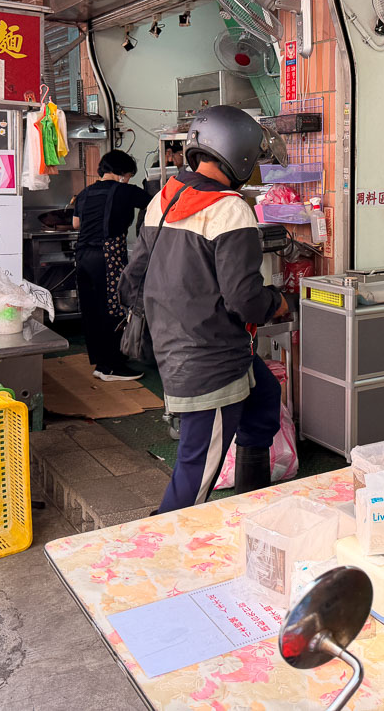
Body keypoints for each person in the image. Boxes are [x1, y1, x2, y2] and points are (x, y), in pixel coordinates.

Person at [121, 106, 289, 513]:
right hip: (208, 356)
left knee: (264, 398)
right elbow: (243, 298)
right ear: (241, 153)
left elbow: (132, 281)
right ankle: (163, 537)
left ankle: (251, 500)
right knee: (197, 467)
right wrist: (278, 303)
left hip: (181, 342)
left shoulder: (165, 196)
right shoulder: (231, 209)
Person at [72, 150, 151, 382]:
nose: (128, 179)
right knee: (113, 308)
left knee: (92, 309)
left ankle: (102, 362)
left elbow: (76, 223)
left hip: (83, 255)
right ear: (121, 173)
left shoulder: (85, 193)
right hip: (107, 255)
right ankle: (112, 367)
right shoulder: (126, 191)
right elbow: (157, 204)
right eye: (128, 175)